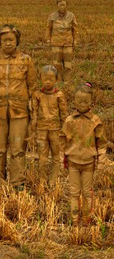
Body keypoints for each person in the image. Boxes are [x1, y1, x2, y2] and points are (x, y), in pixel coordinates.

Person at [0, 24, 36, 191]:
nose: (8, 43)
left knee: (18, 148)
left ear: (17, 41)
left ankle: (18, 182)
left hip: (20, 111)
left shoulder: (26, 60)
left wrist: (35, 109)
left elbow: (32, 86)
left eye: (11, 40)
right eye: (4, 40)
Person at [61, 83, 105, 226]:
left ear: (91, 102)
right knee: (74, 192)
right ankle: (74, 222)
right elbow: (62, 140)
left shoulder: (95, 121)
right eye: (79, 101)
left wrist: (102, 160)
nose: (82, 104)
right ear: (74, 101)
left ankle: (85, 221)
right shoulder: (69, 120)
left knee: (87, 192)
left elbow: (101, 143)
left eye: (86, 101)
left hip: (88, 163)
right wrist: (62, 157)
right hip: (73, 161)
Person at [30, 65, 68, 187]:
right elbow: (34, 112)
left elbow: (64, 114)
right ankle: (42, 179)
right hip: (41, 129)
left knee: (56, 155)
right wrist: (32, 128)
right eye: (45, 79)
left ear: (56, 80)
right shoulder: (37, 94)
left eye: (51, 79)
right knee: (42, 156)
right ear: (40, 79)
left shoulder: (59, 95)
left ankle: (52, 180)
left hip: (56, 129)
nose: (47, 82)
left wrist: (66, 130)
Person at [46, 0, 77, 82]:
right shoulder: (52, 16)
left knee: (68, 64)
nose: (62, 7)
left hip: (68, 42)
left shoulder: (71, 15)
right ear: (57, 6)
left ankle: (67, 81)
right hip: (56, 42)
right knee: (56, 63)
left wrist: (75, 40)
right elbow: (48, 28)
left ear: (66, 5)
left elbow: (75, 29)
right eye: (60, 5)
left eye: (64, 5)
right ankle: (58, 81)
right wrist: (48, 39)